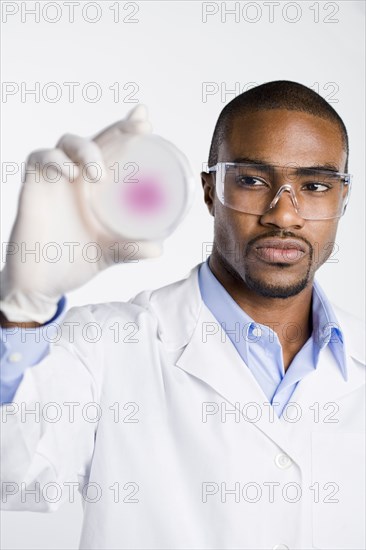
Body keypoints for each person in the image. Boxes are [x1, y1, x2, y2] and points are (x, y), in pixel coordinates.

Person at [0, 81, 364, 550]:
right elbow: (14, 475)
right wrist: (21, 313)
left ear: (343, 200)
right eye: (253, 180)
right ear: (210, 191)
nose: (285, 215)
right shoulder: (105, 345)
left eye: (315, 186)